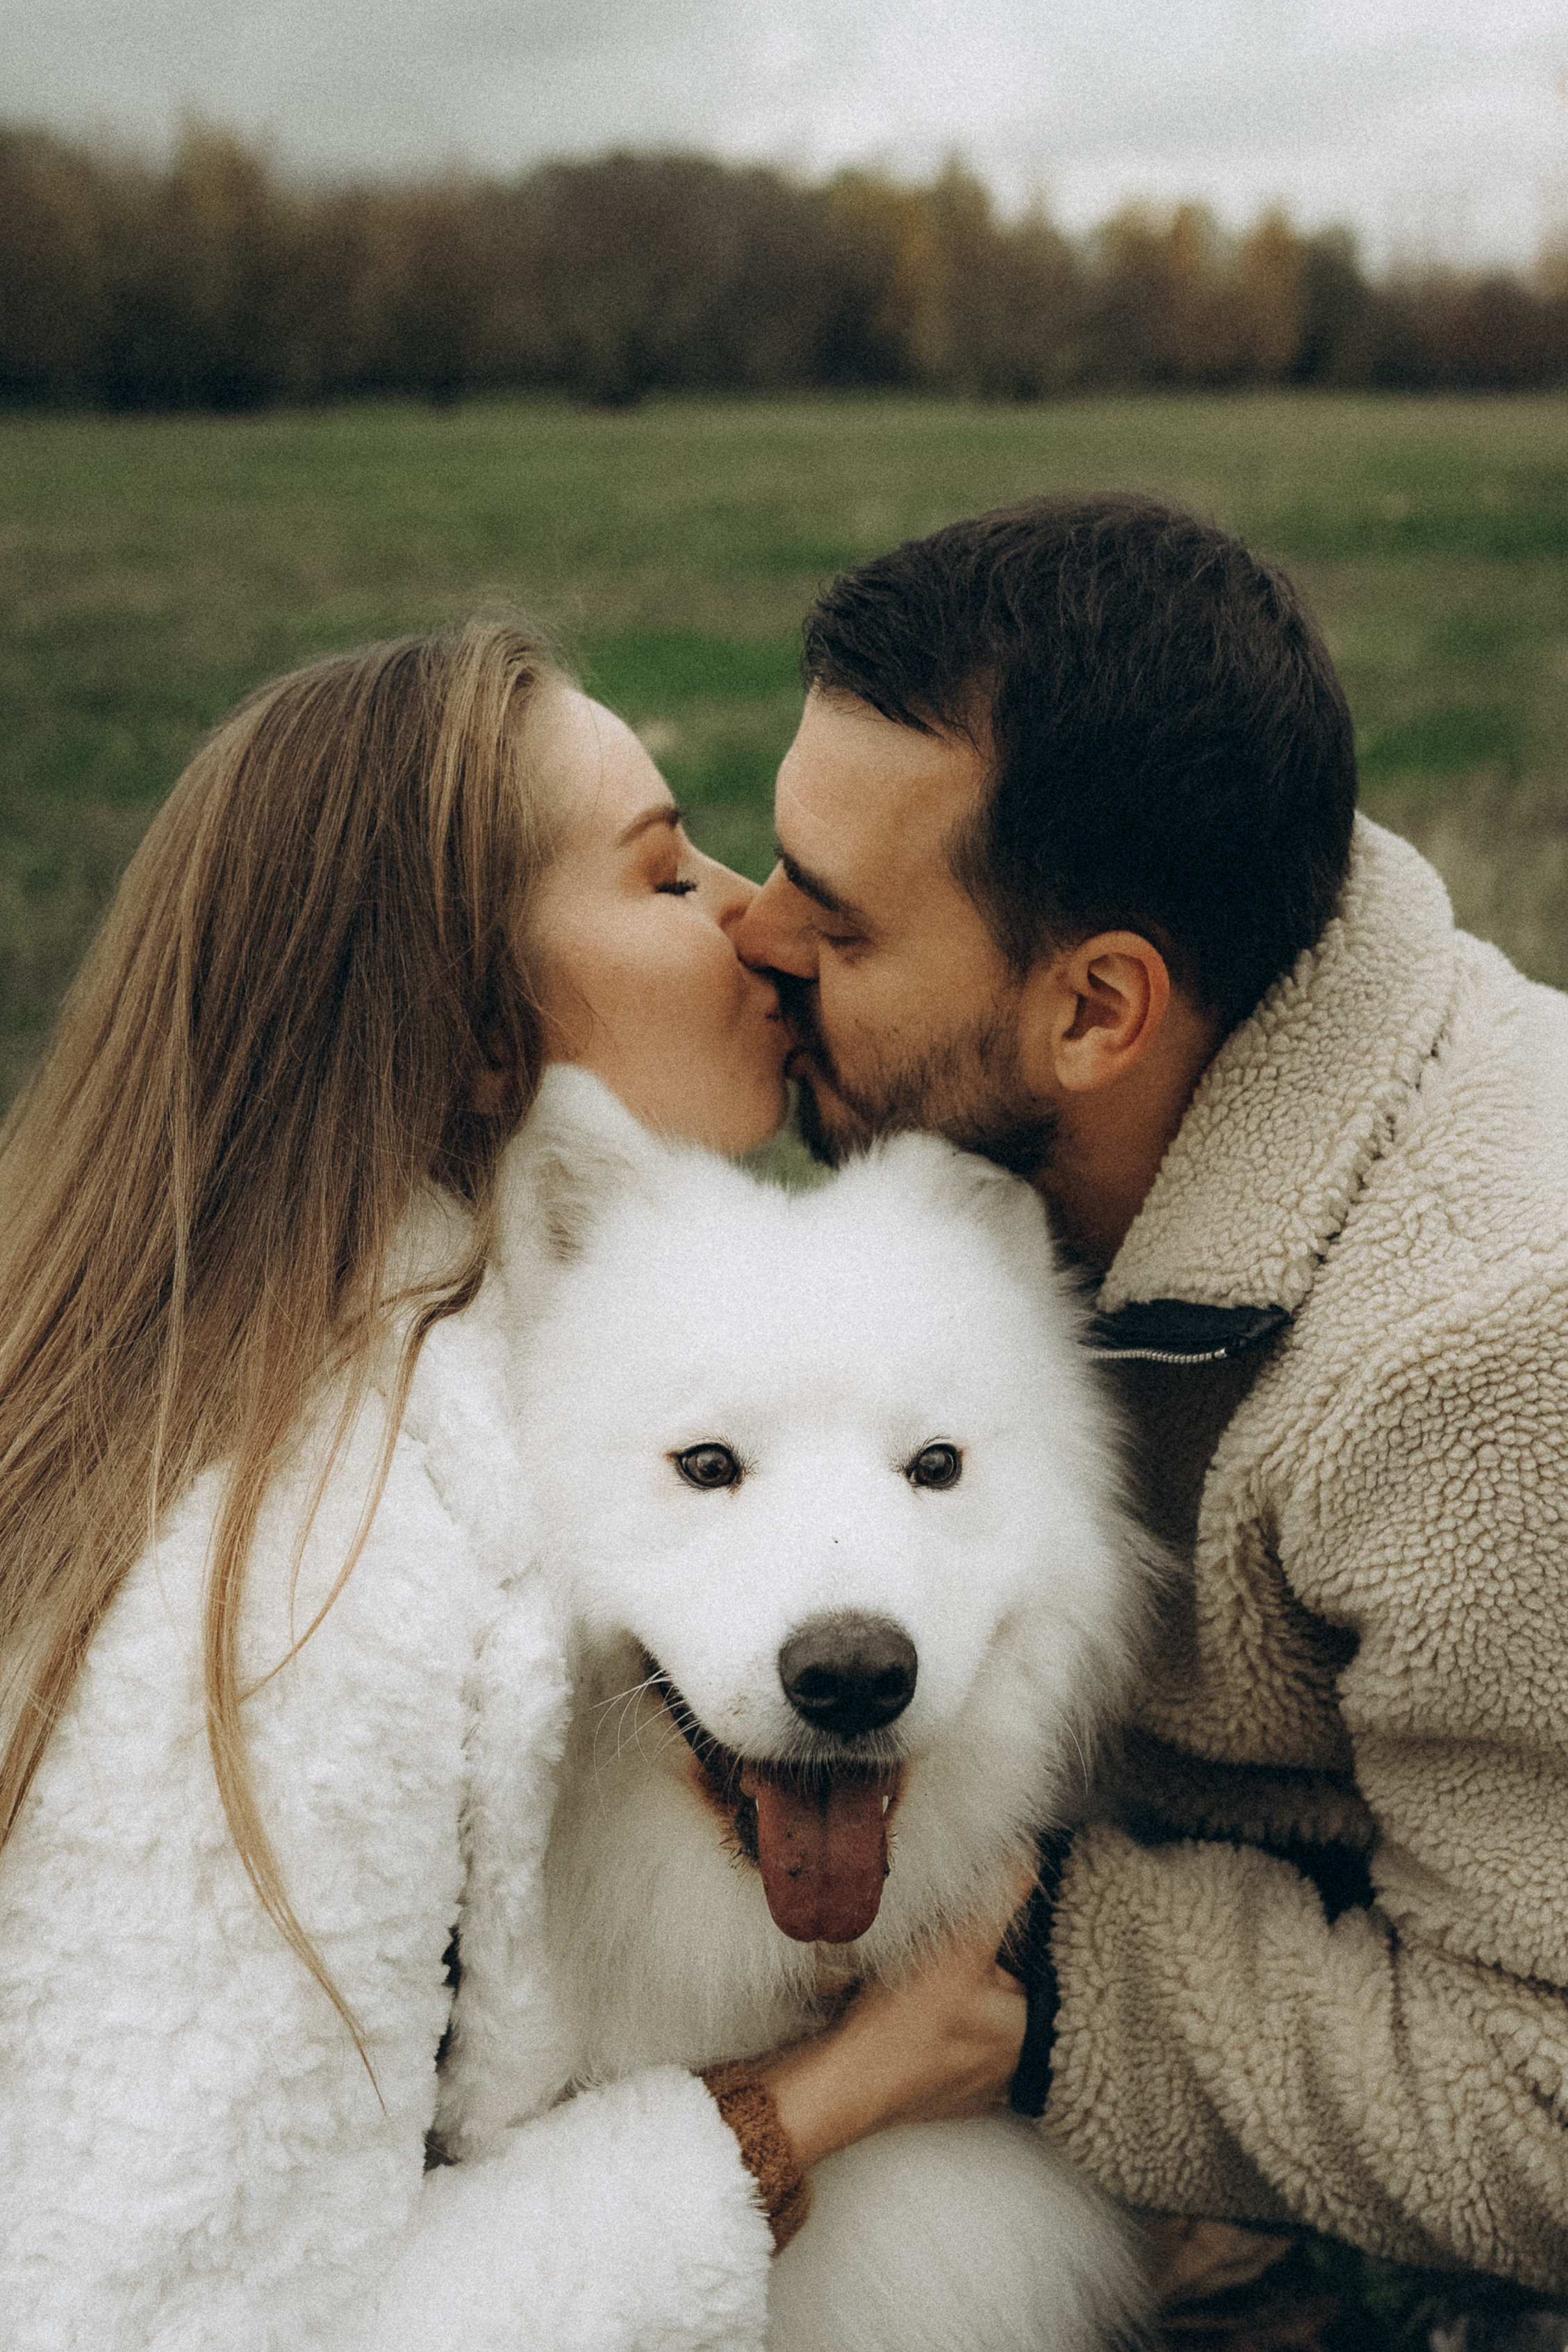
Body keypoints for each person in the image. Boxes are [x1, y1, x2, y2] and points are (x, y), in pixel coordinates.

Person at [0, 623, 1031, 2351]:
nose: (758, 920)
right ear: (487, 1040)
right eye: (666, 875)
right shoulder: (310, 1585)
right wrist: (812, 2108)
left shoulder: (448, 1372)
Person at [732, 496, 1568, 2324]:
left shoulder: (1492, 1361)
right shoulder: (1078, 1113)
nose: (750, 933)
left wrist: (1026, 1969)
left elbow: (1549, 2097)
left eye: (835, 921)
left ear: (1100, 1008)